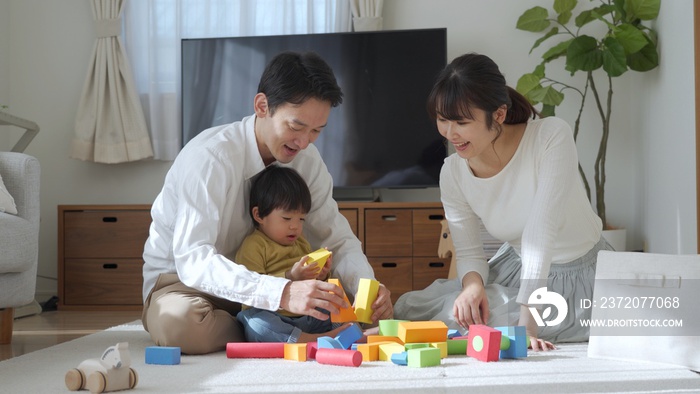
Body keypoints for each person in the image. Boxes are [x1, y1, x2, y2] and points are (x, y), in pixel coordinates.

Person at [142, 51, 393, 354]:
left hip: (276, 281)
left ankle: (269, 326)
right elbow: (194, 261)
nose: (304, 142)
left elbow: (335, 238)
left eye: (316, 131)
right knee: (180, 325)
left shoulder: (307, 160)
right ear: (262, 106)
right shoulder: (210, 158)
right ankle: (267, 327)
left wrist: (368, 286)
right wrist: (282, 293)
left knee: (348, 303)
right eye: (296, 127)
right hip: (188, 286)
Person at [393, 53, 612, 351]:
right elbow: (470, 251)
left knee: (483, 325)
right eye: (442, 120)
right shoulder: (453, 172)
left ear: (498, 114)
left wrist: (528, 321)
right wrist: (473, 287)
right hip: (516, 266)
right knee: (414, 309)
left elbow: (540, 230)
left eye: (461, 122)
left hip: (578, 276)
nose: (450, 134)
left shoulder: (550, 136)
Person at [235, 164, 352, 343]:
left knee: (334, 303)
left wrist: (320, 274)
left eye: (301, 219)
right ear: (259, 215)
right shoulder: (254, 245)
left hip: (307, 315)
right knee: (256, 323)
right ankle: (316, 339)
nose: (295, 226)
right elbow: (251, 291)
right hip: (274, 316)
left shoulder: (301, 242)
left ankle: (347, 331)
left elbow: (312, 286)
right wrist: (291, 276)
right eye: (287, 218)